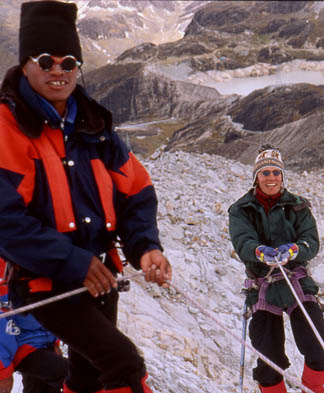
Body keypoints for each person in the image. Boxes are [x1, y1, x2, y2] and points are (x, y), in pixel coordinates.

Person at [0, 1, 172, 392]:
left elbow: (136, 190)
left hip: (99, 276)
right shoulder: (8, 127)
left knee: (88, 378)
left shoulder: (92, 123)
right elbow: (5, 220)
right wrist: (70, 261)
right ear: (26, 64)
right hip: (44, 281)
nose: (58, 71)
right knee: (124, 365)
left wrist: (144, 246)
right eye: (46, 61)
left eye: (69, 61)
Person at [228, 144, 324, 393]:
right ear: (256, 177)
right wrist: (258, 252)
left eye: (276, 173)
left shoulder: (298, 206)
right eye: (265, 173)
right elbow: (242, 241)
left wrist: (296, 250)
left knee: (318, 348)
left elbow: (311, 241)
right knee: (269, 361)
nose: (271, 178)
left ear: (282, 176)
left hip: (295, 279)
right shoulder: (241, 210)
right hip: (263, 284)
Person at [0, 257, 68, 393]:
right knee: (82, 378)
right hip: (21, 349)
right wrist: (2, 372)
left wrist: (54, 341)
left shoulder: (29, 253)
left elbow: (48, 305)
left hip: (41, 342)